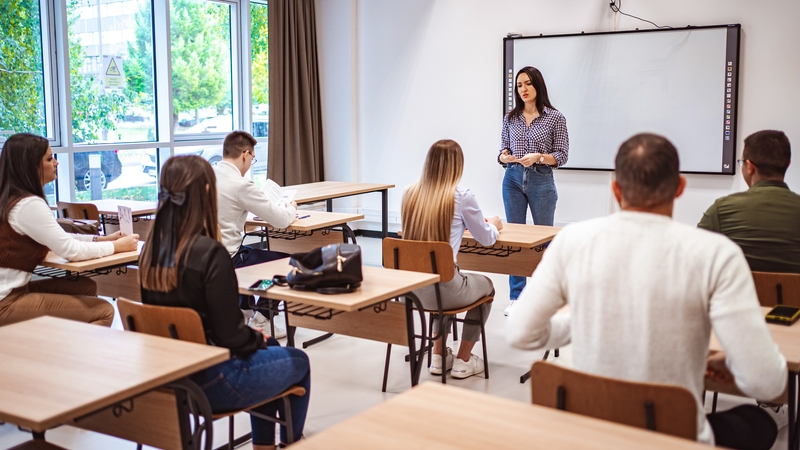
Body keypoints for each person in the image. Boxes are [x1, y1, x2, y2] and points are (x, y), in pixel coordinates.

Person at [507, 133, 786, 449]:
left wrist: (586, 320)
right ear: (680, 187)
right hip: (673, 436)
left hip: (590, 433)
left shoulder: (573, 240)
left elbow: (520, 333)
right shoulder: (716, 254)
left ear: (616, 189)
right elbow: (766, 382)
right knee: (758, 421)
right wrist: (733, 359)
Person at [139, 155, 310, 450]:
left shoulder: (151, 253)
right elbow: (232, 336)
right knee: (298, 360)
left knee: (267, 348)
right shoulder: (209, 253)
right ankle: (289, 444)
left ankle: (265, 444)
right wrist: (254, 337)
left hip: (168, 376)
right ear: (207, 193)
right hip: (214, 380)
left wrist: (256, 340)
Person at [0, 133, 139, 327]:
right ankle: (67, 357)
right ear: (31, 166)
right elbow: (71, 251)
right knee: (103, 310)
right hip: (5, 302)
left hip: (14, 292)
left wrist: (103, 240)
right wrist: (116, 247)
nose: (56, 163)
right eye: (49, 159)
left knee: (85, 287)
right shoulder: (28, 205)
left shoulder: (11, 199)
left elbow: (59, 238)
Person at [403, 139, 502, 378]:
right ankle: (464, 360)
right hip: (445, 289)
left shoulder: (410, 194)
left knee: (442, 283)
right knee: (486, 288)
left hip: (413, 290)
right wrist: (495, 225)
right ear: (457, 166)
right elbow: (487, 239)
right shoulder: (462, 197)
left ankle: (438, 356)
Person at [497, 66, 569, 316]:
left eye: (527, 84)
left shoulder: (555, 117)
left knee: (543, 241)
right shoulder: (510, 118)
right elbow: (502, 150)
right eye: (519, 85)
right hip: (513, 179)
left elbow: (562, 155)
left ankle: (545, 296)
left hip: (541, 180)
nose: (523, 89)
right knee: (515, 240)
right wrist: (504, 157)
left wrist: (539, 157)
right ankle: (517, 297)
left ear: (537, 85)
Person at [215, 131, 297, 335]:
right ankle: (263, 317)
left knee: (250, 253)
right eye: (253, 157)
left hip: (210, 254)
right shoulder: (241, 184)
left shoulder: (207, 174)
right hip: (230, 258)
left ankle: (244, 310)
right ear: (245, 154)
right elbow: (281, 220)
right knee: (286, 263)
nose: (251, 162)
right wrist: (291, 208)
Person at [699, 130, 800, 273]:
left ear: (750, 167)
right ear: (788, 164)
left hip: (740, 295)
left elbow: (694, 259)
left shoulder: (721, 210)